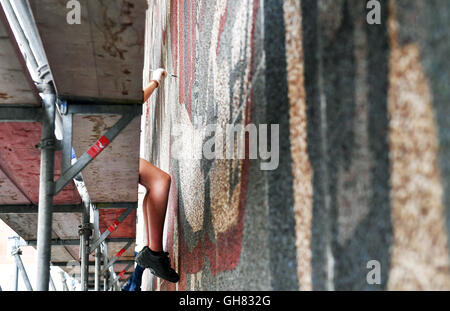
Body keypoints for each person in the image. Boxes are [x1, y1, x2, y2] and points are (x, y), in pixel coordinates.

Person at [135, 68, 180, 283]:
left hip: (91, 158)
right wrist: (155, 80)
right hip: (98, 155)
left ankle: (154, 254)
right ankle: (154, 254)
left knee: (153, 182)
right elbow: (132, 104)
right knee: (160, 181)